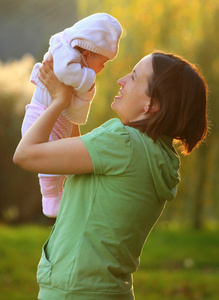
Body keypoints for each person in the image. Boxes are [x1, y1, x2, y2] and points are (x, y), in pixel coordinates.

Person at [13, 50, 208, 300]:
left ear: (152, 104)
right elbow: (79, 158)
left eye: (134, 77)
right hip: (108, 290)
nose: (122, 80)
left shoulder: (122, 141)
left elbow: (26, 154)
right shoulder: (157, 154)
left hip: (74, 290)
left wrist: (59, 101)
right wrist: (74, 106)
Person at [21, 12, 122, 218]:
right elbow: (66, 73)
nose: (101, 69)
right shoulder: (65, 56)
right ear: (86, 55)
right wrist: (87, 80)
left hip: (58, 122)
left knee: (62, 165)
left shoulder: (75, 61)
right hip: (40, 120)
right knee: (49, 167)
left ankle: (58, 194)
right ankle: (49, 200)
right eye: (102, 62)